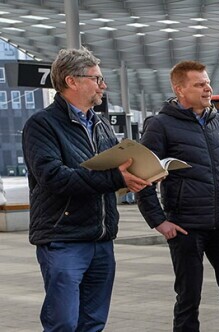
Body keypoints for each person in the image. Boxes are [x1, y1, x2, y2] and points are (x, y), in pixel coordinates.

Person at [22, 48, 149, 332]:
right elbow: (54, 177)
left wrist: (140, 173)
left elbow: (113, 170)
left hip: (101, 240)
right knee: (63, 323)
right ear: (72, 81)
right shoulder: (42, 125)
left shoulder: (101, 125)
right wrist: (116, 178)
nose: (103, 85)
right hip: (63, 238)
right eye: (97, 78)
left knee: (93, 323)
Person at [135, 60, 219, 332]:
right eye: (199, 84)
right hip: (185, 226)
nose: (208, 88)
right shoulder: (160, 125)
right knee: (188, 299)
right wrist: (158, 221)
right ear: (180, 89)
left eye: (207, 83)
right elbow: (141, 176)